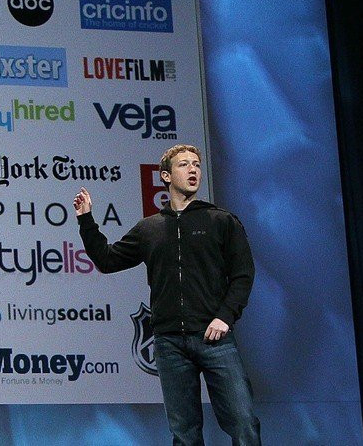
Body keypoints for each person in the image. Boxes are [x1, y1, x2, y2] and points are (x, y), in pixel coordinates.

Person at [73, 144, 260, 445]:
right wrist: (86, 220)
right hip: (169, 342)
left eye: (196, 164)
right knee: (184, 434)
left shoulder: (221, 221)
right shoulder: (150, 228)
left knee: (243, 423)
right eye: (184, 165)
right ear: (166, 176)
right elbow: (107, 260)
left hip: (215, 338)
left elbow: (243, 274)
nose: (193, 170)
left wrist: (225, 317)